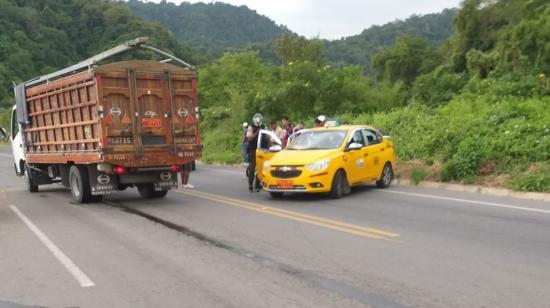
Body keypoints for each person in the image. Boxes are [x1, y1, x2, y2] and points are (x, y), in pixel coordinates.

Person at [246, 113, 265, 192]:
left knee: (260, 168)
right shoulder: (250, 127)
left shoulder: (263, 126)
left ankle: (257, 184)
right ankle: (250, 184)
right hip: (252, 150)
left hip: (260, 150)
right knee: (252, 168)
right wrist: (257, 132)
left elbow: (266, 137)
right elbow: (249, 138)